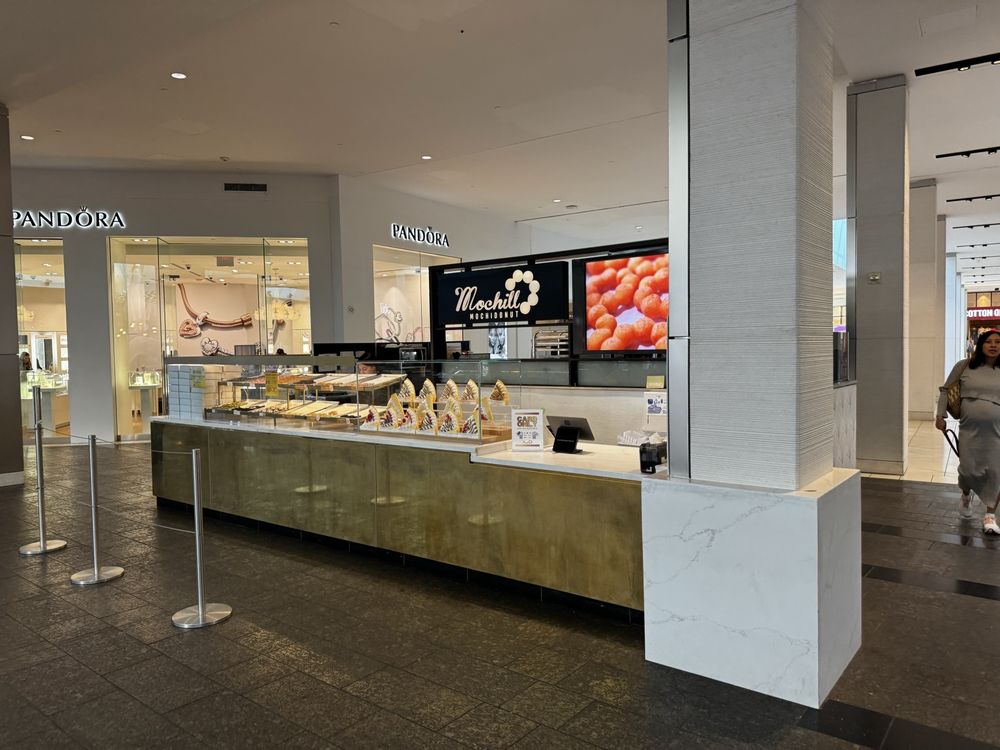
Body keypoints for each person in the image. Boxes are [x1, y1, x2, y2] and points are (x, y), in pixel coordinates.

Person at [937, 330, 1000, 534]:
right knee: (967, 470)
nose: (993, 345)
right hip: (968, 428)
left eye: (998, 342)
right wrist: (940, 415)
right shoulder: (964, 366)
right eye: (988, 342)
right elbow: (945, 390)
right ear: (980, 345)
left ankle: (990, 516)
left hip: (997, 431)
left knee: (995, 471)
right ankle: (966, 496)